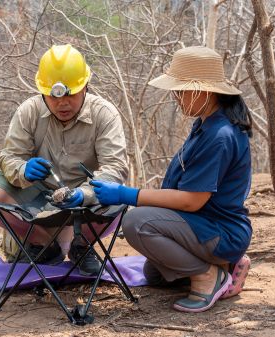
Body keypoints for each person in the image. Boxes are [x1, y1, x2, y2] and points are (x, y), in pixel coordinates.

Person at [91, 46, 253, 313]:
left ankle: (209, 276)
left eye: (181, 90)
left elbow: (191, 201)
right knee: (156, 275)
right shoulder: (205, 124)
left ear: (205, 91)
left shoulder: (219, 135)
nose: (176, 97)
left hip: (219, 231)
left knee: (136, 222)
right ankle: (226, 265)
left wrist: (125, 194)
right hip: (202, 225)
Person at [0, 44, 128, 275]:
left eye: (70, 95)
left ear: (85, 87)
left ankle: (83, 246)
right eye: (53, 96)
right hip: (39, 198)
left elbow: (115, 166)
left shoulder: (104, 114)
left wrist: (86, 193)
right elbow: (9, 156)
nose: (62, 103)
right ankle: (44, 246)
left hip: (86, 200)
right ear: (42, 92)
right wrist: (22, 170)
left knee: (119, 196)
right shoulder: (29, 111)